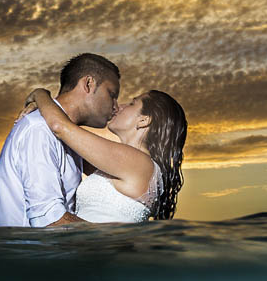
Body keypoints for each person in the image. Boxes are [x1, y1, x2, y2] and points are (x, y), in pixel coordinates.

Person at [0, 54, 120, 227]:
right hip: (27, 252)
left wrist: (41, 94)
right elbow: (49, 219)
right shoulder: (39, 129)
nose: (116, 106)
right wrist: (115, 240)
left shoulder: (70, 138)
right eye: (112, 94)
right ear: (88, 84)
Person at [22, 86, 186, 222]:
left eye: (131, 104)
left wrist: (41, 95)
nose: (119, 107)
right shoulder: (128, 165)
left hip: (98, 252)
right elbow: (70, 146)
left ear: (144, 120)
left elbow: (60, 127)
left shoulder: (137, 162)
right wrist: (46, 110)